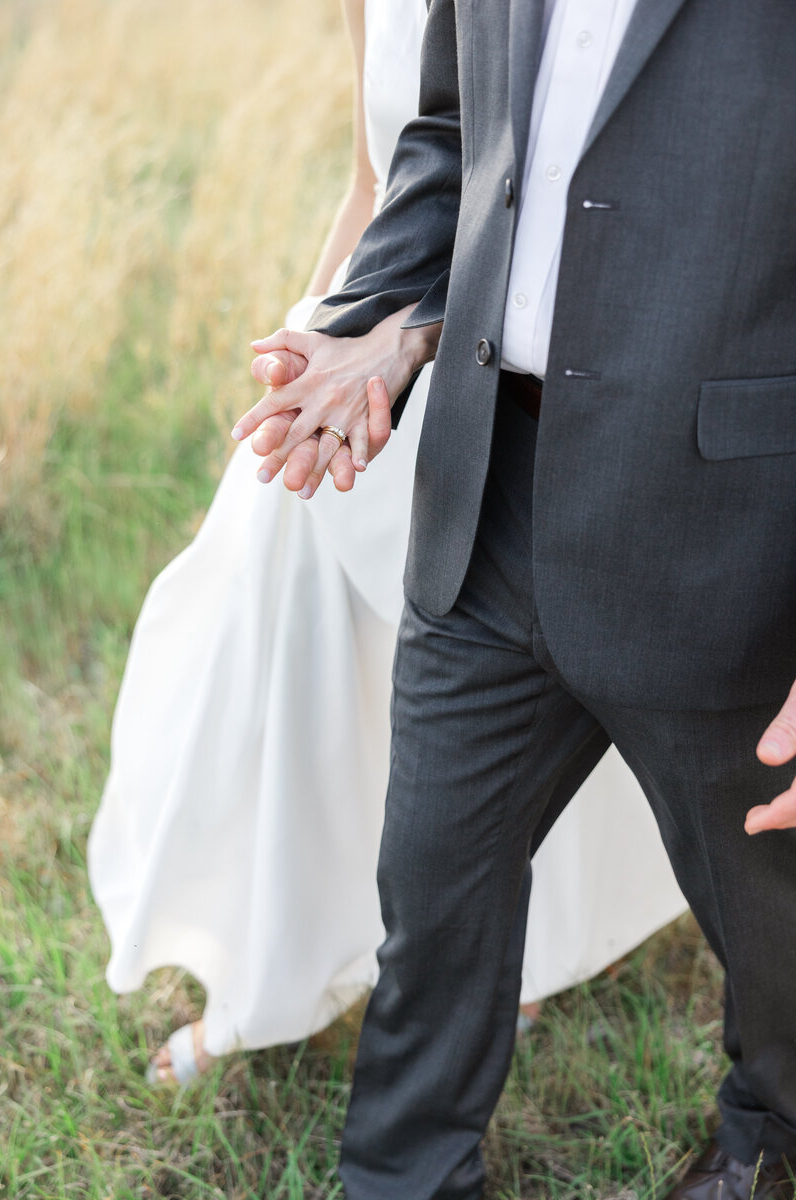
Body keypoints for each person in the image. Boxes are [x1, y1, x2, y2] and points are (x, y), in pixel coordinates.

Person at [234, 0, 796, 1197]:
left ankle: (760, 1132)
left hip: (730, 532)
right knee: (431, 892)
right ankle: (404, 1175)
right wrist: (382, 321)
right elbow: (451, 138)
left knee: (774, 925)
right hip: (485, 492)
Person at [88, 0, 686, 1088]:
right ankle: (267, 974)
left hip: (508, 383)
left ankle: (512, 955)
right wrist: (319, 331)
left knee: (507, 683)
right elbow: (378, 179)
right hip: (367, 358)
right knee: (296, 656)